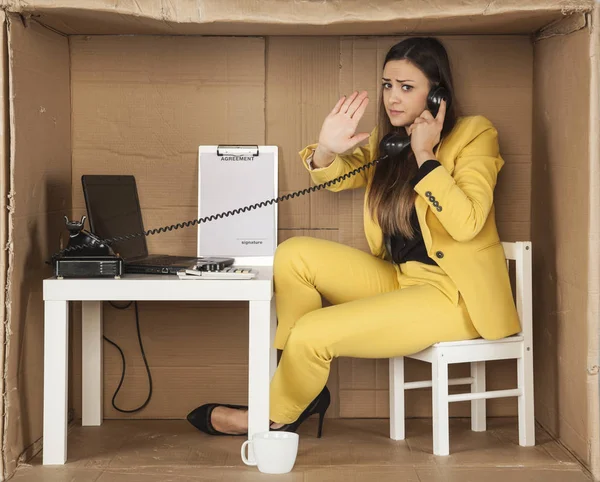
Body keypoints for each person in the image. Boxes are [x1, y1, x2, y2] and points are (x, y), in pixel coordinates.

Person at [186, 37, 521, 437]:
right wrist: (326, 150)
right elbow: (334, 177)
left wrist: (426, 155)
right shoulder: (390, 141)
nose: (392, 98)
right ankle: (295, 389)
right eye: (387, 85)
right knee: (293, 254)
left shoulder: (473, 134)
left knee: (313, 332)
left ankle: (272, 415)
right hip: (400, 279)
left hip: (454, 296)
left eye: (407, 87)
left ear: (437, 93)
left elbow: (467, 222)